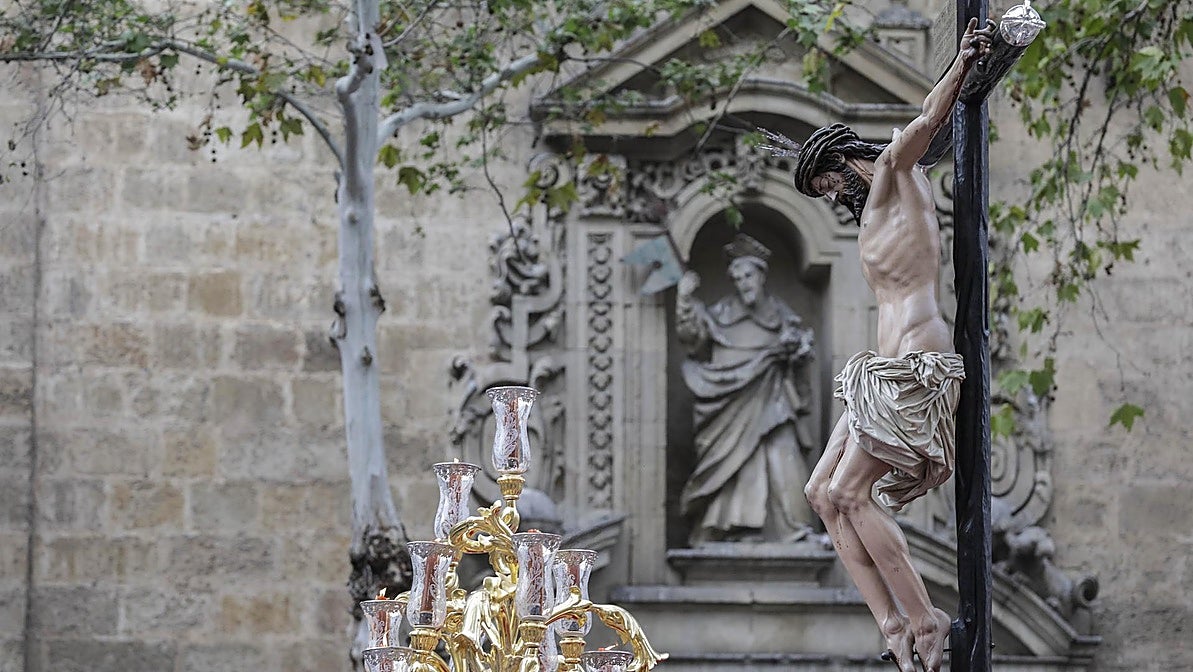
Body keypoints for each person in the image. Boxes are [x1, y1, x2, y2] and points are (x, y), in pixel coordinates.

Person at [768, 17, 995, 672]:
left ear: (843, 160)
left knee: (849, 494)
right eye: (822, 194)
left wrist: (960, 64)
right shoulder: (869, 212)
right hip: (879, 372)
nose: (833, 195)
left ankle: (924, 620)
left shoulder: (898, 176)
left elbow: (924, 121)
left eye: (830, 183)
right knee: (820, 493)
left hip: (914, 364)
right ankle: (892, 625)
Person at [676, 233, 817, 546]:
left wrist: (797, 352)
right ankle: (730, 527)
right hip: (728, 403)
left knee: (784, 456)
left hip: (774, 397)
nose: (743, 283)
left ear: (761, 275)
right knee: (735, 461)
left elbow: (799, 349)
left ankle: (793, 529)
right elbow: (692, 337)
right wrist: (685, 298)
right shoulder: (720, 314)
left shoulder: (781, 315)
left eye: (748, 275)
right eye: (737, 278)